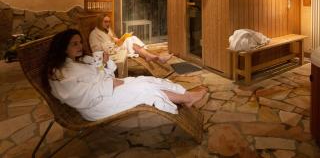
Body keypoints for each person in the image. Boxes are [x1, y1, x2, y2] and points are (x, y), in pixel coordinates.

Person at [46, 29, 206, 121]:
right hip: (96, 106)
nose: (80, 46)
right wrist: (109, 84)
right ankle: (188, 99)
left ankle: (185, 95)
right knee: (145, 89)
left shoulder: (79, 61)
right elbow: (79, 96)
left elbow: (98, 76)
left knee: (148, 79)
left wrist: (104, 64)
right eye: (75, 44)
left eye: (80, 42)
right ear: (63, 47)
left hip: (108, 91)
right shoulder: (59, 74)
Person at [89, 14, 170, 63]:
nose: (108, 23)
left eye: (109, 21)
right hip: (110, 52)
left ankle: (150, 56)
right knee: (131, 41)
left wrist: (117, 40)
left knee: (131, 38)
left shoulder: (107, 30)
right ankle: (154, 57)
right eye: (105, 21)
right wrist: (111, 45)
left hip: (116, 47)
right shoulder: (94, 34)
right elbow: (95, 50)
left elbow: (114, 39)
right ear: (100, 22)